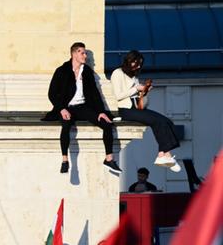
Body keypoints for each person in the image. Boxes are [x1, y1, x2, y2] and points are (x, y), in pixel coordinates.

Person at [44, 42, 119, 175]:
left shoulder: (87, 72)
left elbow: (95, 94)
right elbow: (52, 94)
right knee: (65, 125)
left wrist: (101, 112)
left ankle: (109, 158)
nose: (85, 56)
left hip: (83, 107)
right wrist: (61, 109)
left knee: (107, 124)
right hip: (67, 107)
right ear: (74, 54)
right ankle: (65, 160)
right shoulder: (62, 70)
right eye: (82, 53)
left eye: (85, 53)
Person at [108, 49, 181, 172]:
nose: (137, 66)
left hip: (136, 107)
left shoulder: (133, 76)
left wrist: (144, 91)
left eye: (140, 64)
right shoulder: (117, 73)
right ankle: (163, 155)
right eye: (135, 63)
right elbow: (119, 95)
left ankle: (163, 154)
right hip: (126, 110)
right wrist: (136, 88)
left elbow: (138, 96)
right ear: (129, 61)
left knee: (166, 121)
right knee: (156, 121)